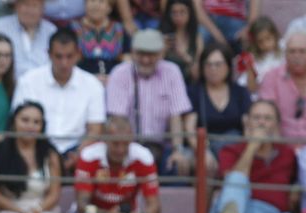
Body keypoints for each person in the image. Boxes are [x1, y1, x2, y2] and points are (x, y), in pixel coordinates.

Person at [105, 29, 195, 173]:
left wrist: (177, 149)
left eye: (151, 54)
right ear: (133, 52)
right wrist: (127, 151)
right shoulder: (119, 73)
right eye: (141, 54)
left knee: (179, 164)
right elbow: (118, 120)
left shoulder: (172, 72)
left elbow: (175, 116)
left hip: (162, 145)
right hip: (129, 146)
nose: (146, 60)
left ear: (161, 54)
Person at [13, 27, 106, 160]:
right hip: (36, 148)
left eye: (69, 56)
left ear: (78, 55)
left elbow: (95, 130)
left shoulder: (93, 85)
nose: (64, 63)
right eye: (58, 56)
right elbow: (19, 123)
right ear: (49, 54)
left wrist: (77, 156)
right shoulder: (28, 80)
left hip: (78, 152)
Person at [211, 97, 301, 213]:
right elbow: (231, 183)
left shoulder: (287, 153)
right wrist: (252, 147)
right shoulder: (230, 150)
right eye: (256, 118)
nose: (261, 123)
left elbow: (298, 179)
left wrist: (296, 188)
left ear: (277, 124)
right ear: (247, 123)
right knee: (236, 177)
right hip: (240, 206)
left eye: (267, 118)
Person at [74, 113, 162, 213]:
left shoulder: (143, 157)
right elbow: (82, 205)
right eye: (115, 144)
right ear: (105, 140)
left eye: (126, 144)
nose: (121, 150)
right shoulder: (89, 156)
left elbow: (154, 205)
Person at [0, 98, 64, 213]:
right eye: (25, 120)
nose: (30, 126)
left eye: (36, 122)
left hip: (42, 208)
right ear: (13, 122)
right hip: (8, 209)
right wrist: (20, 212)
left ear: (42, 126)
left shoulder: (50, 154)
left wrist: (35, 211)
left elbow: (54, 194)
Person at [189, 43, 250, 152]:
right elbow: (190, 129)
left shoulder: (240, 92)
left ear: (228, 66)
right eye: (208, 64)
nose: (213, 69)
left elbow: (248, 127)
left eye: (218, 64)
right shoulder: (194, 92)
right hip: (204, 148)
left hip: (235, 149)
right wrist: (203, 154)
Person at [0, 0, 58, 80]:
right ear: (16, 6)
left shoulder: (51, 31)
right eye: (25, 4)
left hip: (43, 85)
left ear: (43, 9)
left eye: (35, 6)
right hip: (8, 86)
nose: (30, 10)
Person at [76, 0, 127, 76]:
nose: (96, 5)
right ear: (85, 5)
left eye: (101, 1)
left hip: (114, 80)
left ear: (109, 8)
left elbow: (127, 59)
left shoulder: (120, 30)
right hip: (83, 80)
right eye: (92, 1)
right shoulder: (73, 29)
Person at [161, 0, 206, 83]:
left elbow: (197, 74)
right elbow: (152, 68)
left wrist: (184, 56)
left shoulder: (196, 37)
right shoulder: (162, 35)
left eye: (182, 12)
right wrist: (162, 50)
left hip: (189, 85)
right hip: (165, 83)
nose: (178, 17)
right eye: (174, 13)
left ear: (190, 13)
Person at [238, 15, 283, 92]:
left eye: (268, 38)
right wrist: (249, 68)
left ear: (275, 35)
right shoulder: (254, 59)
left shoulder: (284, 48)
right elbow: (251, 89)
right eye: (260, 42)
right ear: (255, 43)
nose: (266, 44)